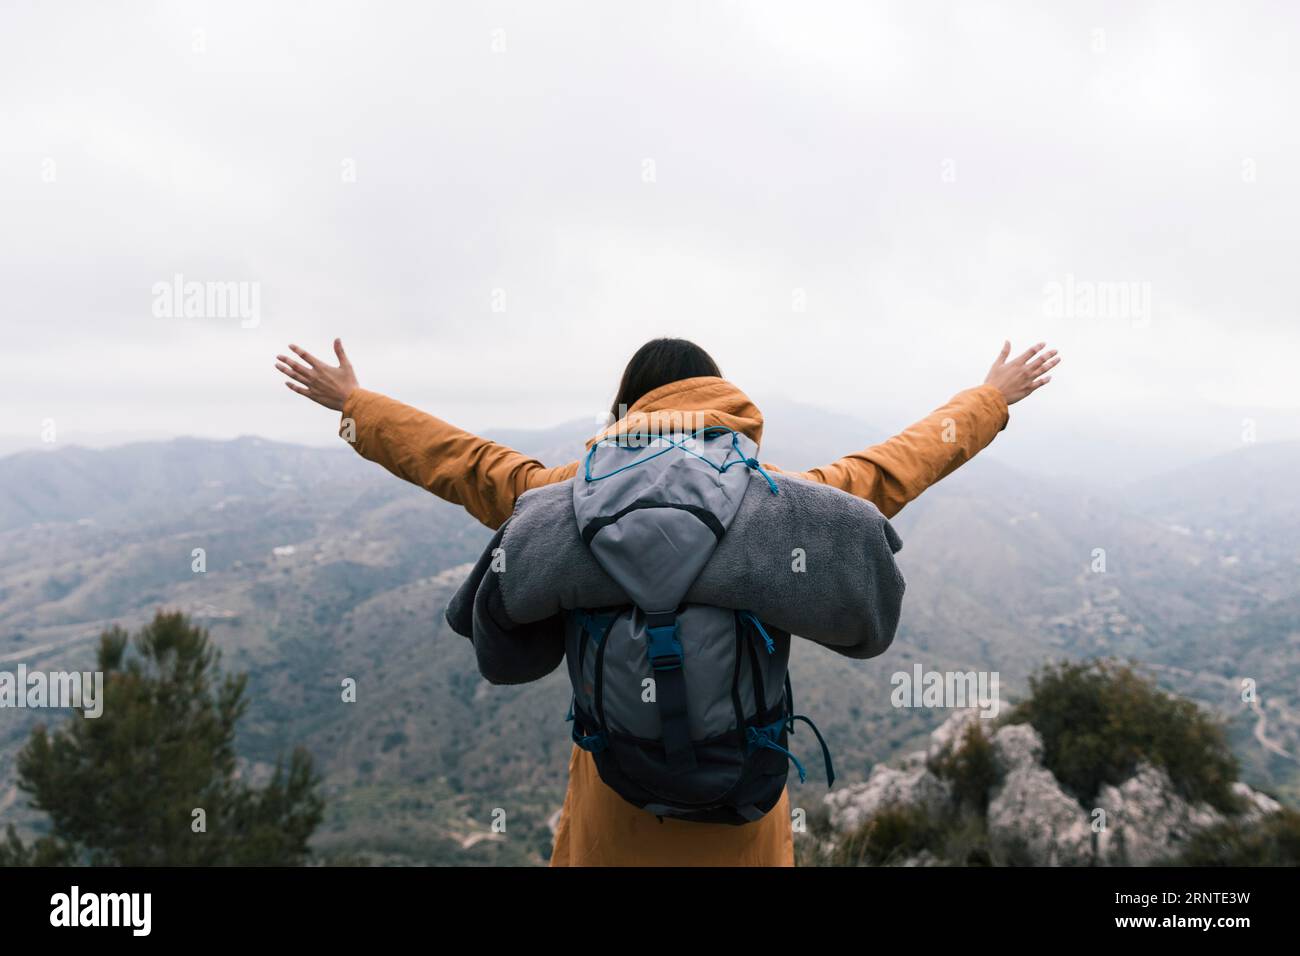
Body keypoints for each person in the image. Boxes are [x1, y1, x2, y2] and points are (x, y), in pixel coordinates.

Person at [275, 336, 1059, 865]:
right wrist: (991, 398)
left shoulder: (566, 502)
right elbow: (893, 468)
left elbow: (466, 464)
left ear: (626, 411)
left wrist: (357, 407)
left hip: (614, 819)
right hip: (741, 820)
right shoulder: (783, 508)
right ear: (720, 404)